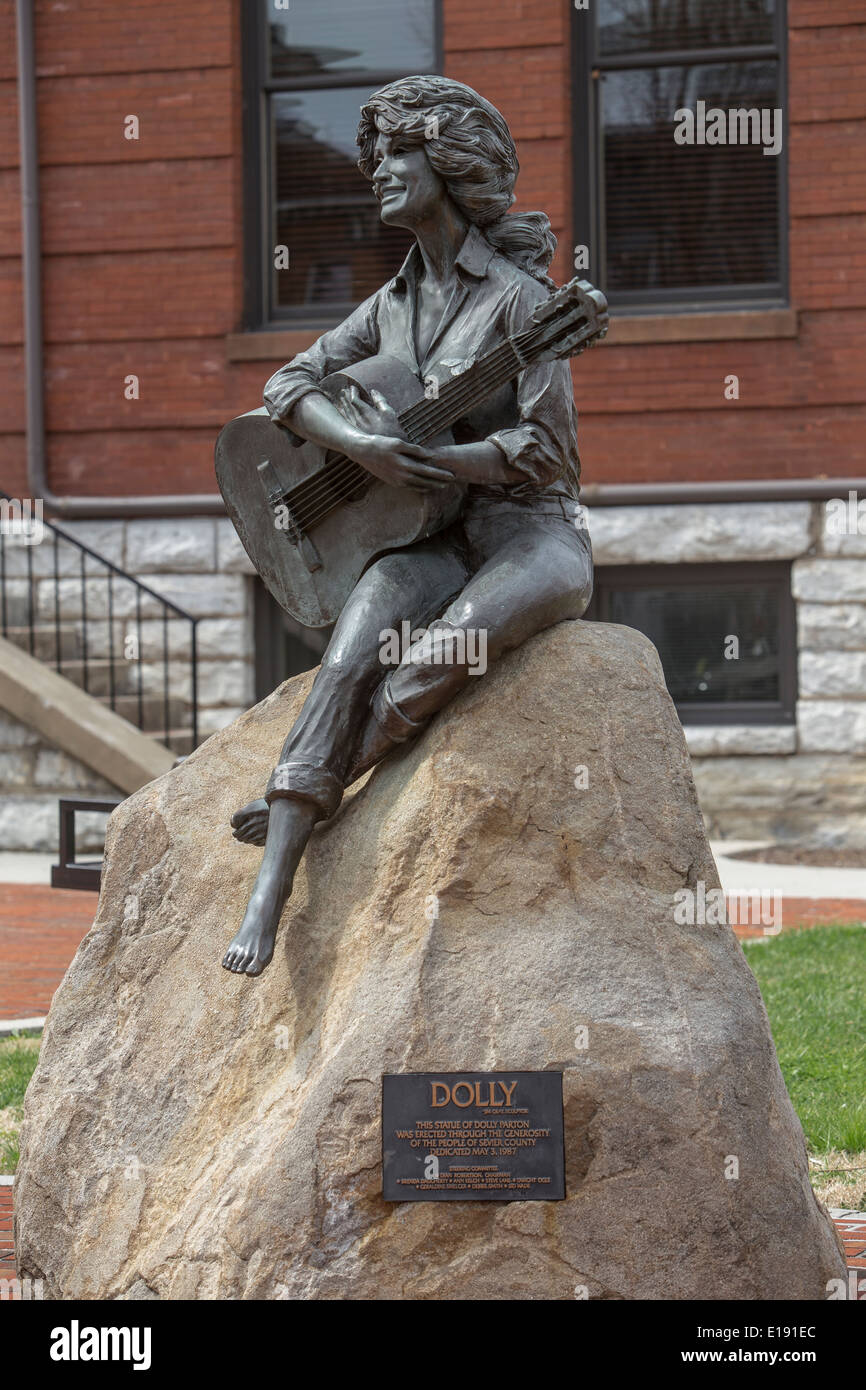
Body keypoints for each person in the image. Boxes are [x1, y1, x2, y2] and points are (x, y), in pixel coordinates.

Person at [222, 75, 593, 975]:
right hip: (429, 532)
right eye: (376, 156)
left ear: (450, 163)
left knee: (441, 653)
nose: (380, 172)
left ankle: (330, 779)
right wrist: (363, 445)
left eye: (399, 154)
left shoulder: (521, 302)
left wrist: (447, 460)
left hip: (528, 534)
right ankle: (271, 886)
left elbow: (545, 452)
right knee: (350, 653)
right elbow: (284, 388)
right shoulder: (389, 304)